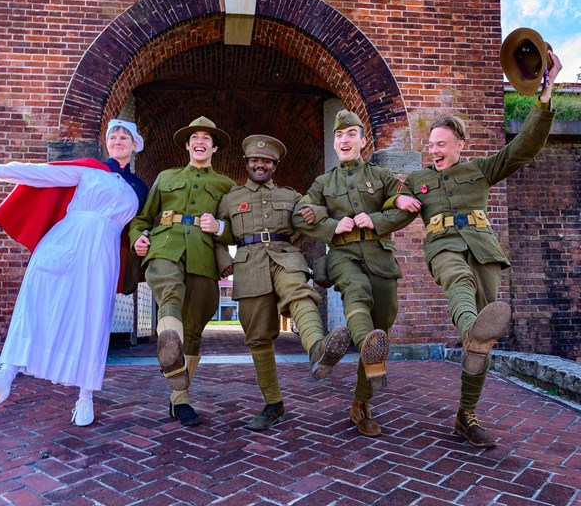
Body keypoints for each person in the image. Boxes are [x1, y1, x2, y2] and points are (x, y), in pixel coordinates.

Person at [391, 50, 562, 447]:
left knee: (482, 344)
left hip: (484, 250)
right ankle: (470, 331)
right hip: (444, 249)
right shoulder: (417, 179)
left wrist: (546, 91)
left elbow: (523, 148)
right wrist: (395, 201)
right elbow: (387, 200)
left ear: (460, 146)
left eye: (441, 144)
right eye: (430, 145)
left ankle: (466, 415)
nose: (433, 151)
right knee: (458, 281)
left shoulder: (481, 170)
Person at [0, 119, 148, 426]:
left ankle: (85, 397)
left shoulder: (139, 189)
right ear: (107, 143)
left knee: (93, 316)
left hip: (103, 253)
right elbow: (40, 173)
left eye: (124, 136)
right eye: (113, 135)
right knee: (35, 301)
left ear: (134, 144)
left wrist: (143, 239)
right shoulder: (89, 170)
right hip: (64, 241)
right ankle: (4, 376)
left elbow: (141, 224)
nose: (118, 139)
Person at [292, 110, 417, 437]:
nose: (344, 140)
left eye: (350, 135)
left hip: (380, 256)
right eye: (339, 136)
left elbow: (403, 208)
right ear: (334, 143)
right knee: (356, 292)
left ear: (363, 141)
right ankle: (372, 355)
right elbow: (299, 216)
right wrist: (334, 225)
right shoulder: (323, 183)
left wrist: (377, 218)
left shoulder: (381, 176)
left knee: (383, 321)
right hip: (343, 254)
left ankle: (360, 403)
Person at [216, 135, 352, 431]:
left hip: (286, 256)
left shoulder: (291, 196)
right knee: (258, 336)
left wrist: (315, 213)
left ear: (275, 166)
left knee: (300, 294)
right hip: (249, 264)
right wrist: (220, 260)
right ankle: (273, 404)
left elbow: (314, 217)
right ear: (247, 164)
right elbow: (217, 234)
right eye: (255, 160)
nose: (260, 165)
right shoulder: (231, 198)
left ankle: (318, 350)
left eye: (267, 161)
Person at [129, 116, 235, 427]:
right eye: (195, 137)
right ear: (188, 145)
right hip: (165, 247)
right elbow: (142, 218)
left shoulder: (225, 185)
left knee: (194, 331)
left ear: (214, 148)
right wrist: (139, 237)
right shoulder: (165, 177)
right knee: (169, 292)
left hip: (202, 256)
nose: (200, 142)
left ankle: (179, 399)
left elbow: (238, 231)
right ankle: (170, 346)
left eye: (206, 138)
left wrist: (219, 227)